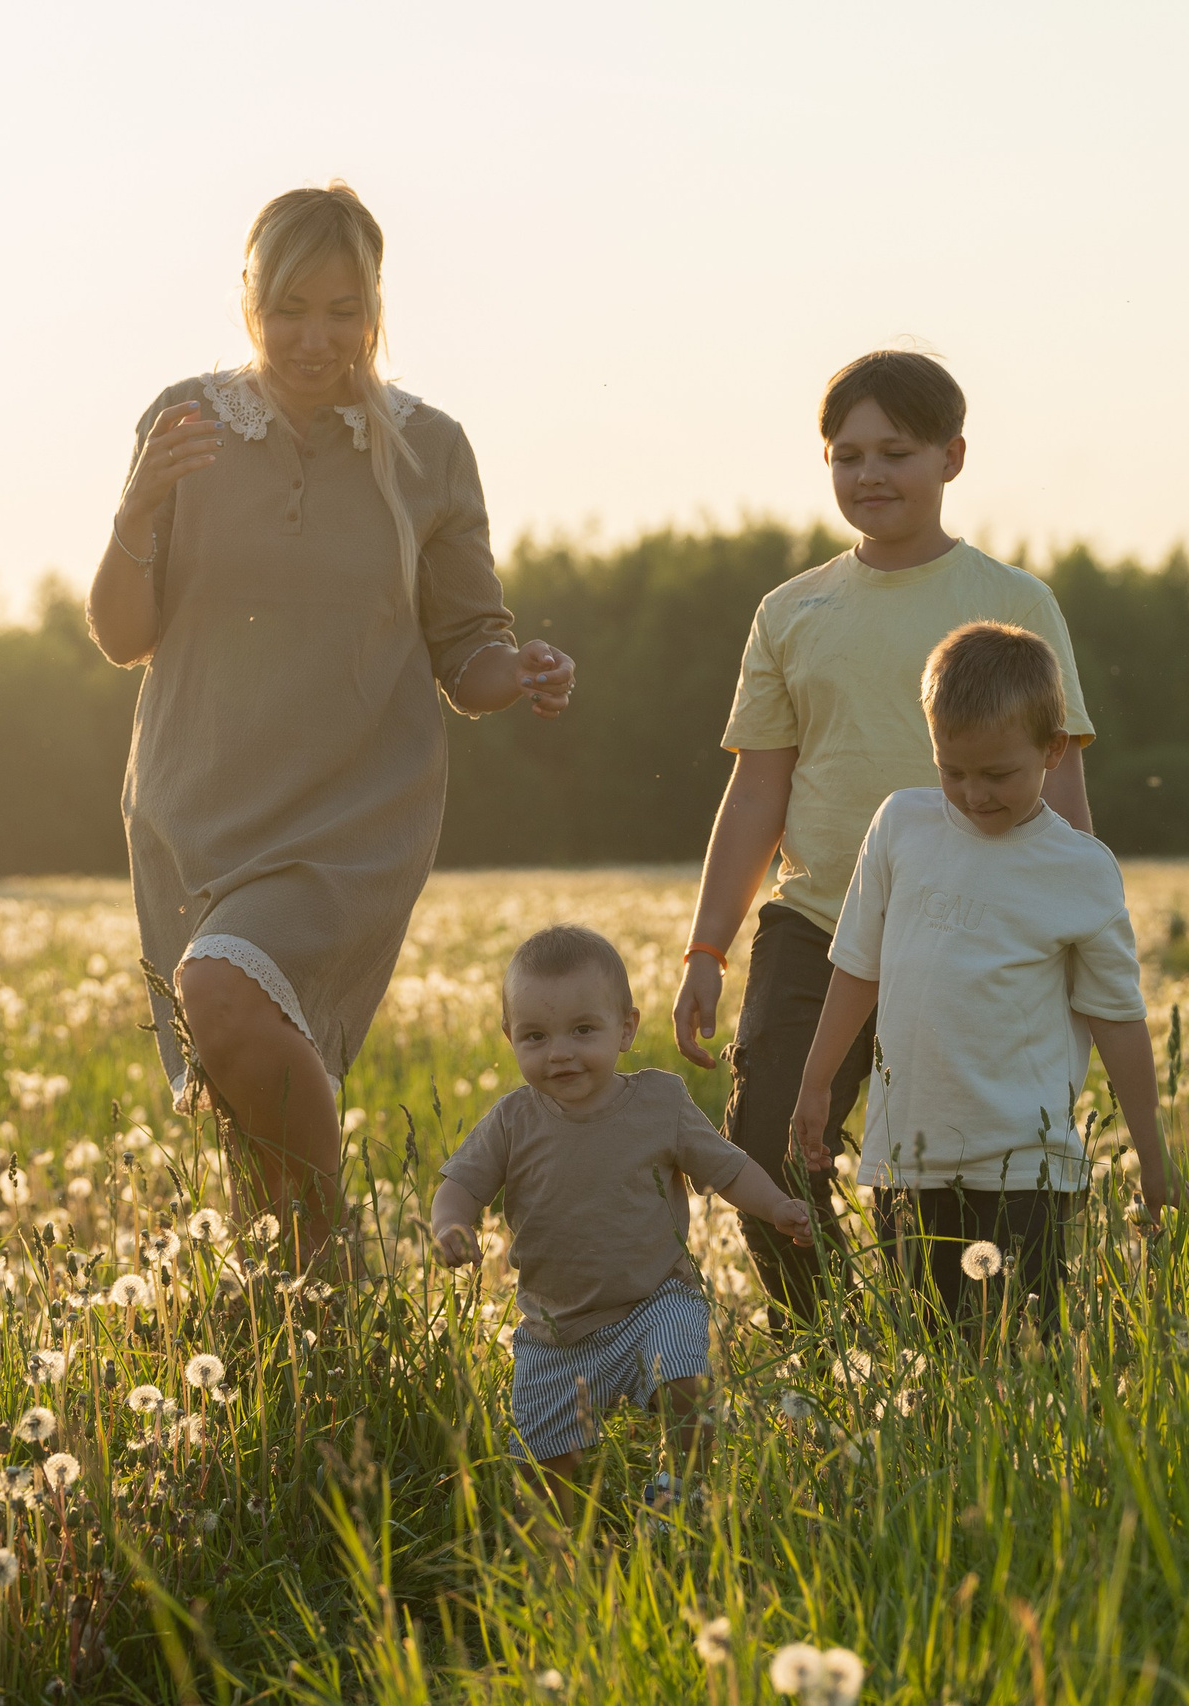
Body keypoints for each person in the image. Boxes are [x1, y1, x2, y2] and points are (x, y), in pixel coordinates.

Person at [87, 182, 576, 1262]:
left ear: (376, 307)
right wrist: (132, 514)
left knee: (221, 986)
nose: (318, 337)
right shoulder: (185, 419)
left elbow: (466, 651)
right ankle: (292, 1309)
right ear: (249, 300)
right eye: (291, 306)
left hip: (355, 808)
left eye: (344, 309)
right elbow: (123, 634)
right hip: (192, 803)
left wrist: (519, 668)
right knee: (232, 1066)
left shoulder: (428, 446)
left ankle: (330, 1257)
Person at [669, 350, 1095, 1329]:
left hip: (973, 933)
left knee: (949, 1173)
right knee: (768, 1140)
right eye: (846, 453)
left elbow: (1061, 770)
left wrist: (1072, 930)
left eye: (894, 452)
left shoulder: (1016, 600)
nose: (869, 474)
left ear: (951, 456)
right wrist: (706, 946)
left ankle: (967, 1361)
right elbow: (756, 787)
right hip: (814, 921)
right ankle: (822, 1346)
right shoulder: (789, 611)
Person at [789, 622, 1178, 1325]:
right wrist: (816, 1084)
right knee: (929, 1360)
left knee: (1024, 1358)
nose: (972, 793)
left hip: (1027, 1169)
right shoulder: (901, 826)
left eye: (998, 774)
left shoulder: (1081, 869)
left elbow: (1117, 1019)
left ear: (1054, 750)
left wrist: (1154, 1160)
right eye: (952, 769)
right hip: (908, 1158)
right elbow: (857, 968)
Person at [432, 926, 813, 1507]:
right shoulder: (513, 1121)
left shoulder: (660, 1103)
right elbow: (459, 1186)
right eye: (535, 1036)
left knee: (687, 1385)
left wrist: (777, 1205)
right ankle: (565, 1556)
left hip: (655, 1299)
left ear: (627, 1029)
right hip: (555, 1332)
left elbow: (729, 1167)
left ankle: (680, 1493)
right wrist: (450, 1226)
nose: (560, 1052)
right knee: (545, 1479)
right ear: (509, 1038)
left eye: (583, 1030)